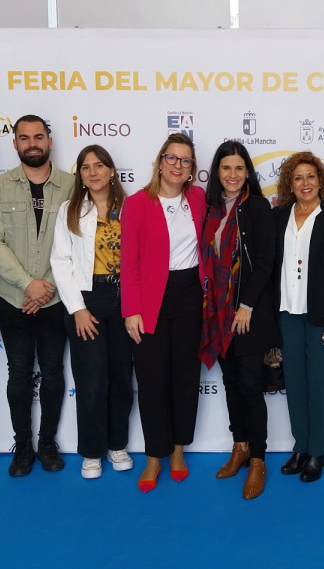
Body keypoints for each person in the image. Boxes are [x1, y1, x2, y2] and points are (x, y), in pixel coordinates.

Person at [0, 114, 75, 477]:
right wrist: (27, 284)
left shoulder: (71, 185)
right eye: (25, 138)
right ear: (15, 144)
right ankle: (22, 445)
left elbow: (77, 242)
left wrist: (45, 286)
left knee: (52, 372)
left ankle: (47, 442)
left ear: (49, 142)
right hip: (13, 298)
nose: (32, 143)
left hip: (56, 299)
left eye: (39, 136)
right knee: (19, 372)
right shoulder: (0, 187)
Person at [122, 133, 206, 493]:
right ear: (159, 162)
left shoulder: (199, 199)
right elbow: (129, 262)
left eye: (184, 161)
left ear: (191, 171)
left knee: (185, 377)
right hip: (152, 298)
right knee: (153, 379)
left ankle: (176, 450)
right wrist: (131, 310)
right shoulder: (139, 203)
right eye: (171, 158)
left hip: (190, 295)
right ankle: (154, 455)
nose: (177, 165)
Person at [198, 141, 277, 500]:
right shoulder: (209, 209)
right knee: (230, 383)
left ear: (248, 173)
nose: (232, 175)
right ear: (217, 172)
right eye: (226, 168)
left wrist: (246, 305)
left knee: (249, 385)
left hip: (248, 313)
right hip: (217, 312)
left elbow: (265, 263)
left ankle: (258, 459)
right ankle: (240, 445)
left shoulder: (257, 207)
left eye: (239, 168)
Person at [50, 144, 134, 479]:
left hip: (125, 299)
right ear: (80, 175)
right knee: (91, 380)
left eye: (100, 165)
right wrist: (78, 309)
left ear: (112, 171)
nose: (93, 172)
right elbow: (61, 262)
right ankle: (92, 451)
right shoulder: (69, 210)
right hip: (87, 299)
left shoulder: (131, 208)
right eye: (86, 167)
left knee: (121, 379)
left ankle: (117, 445)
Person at [273, 151, 324, 483]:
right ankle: (300, 446)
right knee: (295, 384)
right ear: (290, 184)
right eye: (297, 178)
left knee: (319, 385)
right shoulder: (279, 216)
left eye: (310, 176)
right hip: (286, 314)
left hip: (321, 317)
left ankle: (318, 450)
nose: (305, 183)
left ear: (320, 180)